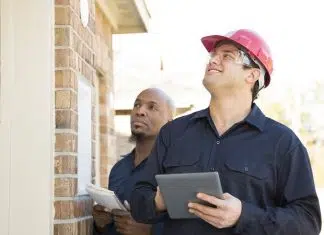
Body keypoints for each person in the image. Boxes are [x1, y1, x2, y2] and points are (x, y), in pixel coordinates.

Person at [130, 29, 322, 235]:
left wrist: (243, 216)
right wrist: (157, 202)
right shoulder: (173, 133)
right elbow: (138, 201)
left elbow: (308, 222)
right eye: (213, 55)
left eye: (227, 56)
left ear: (252, 74)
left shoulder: (282, 143)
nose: (213, 60)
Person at [93, 88, 175, 235]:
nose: (140, 111)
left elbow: (191, 224)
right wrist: (101, 225)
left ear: (169, 122)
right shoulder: (119, 169)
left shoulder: (174, 168)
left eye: (152, 107)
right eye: (137, 105)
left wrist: (149, 231)